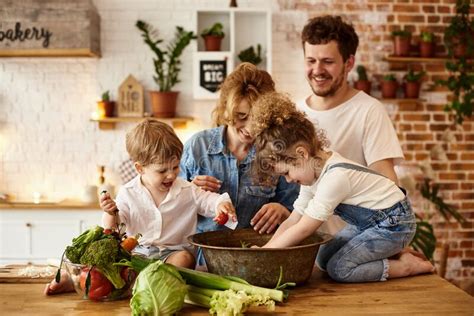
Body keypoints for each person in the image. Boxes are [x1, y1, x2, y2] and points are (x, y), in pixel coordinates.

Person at [250, 92, 434, 283]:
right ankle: (390, 253)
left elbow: (304, 229)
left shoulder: (335, 178)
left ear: (301, 154)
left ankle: (406, 266)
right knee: (322, 258)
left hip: (394, 224)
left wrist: (267, 253)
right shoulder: (312, 175)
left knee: (340, 269)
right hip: (368, 224)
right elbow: (294, 220)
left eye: (286, 173)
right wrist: (266, 250)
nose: (288, 180)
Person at [44, 119, 236, 295]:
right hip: (138, 254)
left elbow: (210, 201)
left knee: (185, 259)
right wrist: (111, 212)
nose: (171, 175)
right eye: (162, 170)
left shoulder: (188, 190)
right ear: (140, 168)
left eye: (175, 167)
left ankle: (146, 285)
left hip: (173, 256)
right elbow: (114, 228)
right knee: (111, 265)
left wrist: (222, 204)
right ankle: (75, 280)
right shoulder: (128, 193)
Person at [297, 15, 404, 233]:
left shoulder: (368, 111)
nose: (317, 70)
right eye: (311, 61)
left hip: (354, 246)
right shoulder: (295, 113)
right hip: (303, 246)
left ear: (349, 63)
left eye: (327, 62)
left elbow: (388, 185)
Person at [179, 62, 299, 240]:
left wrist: (284, 211)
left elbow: (297, 208)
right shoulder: (198, 147)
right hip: (203, 258)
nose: (250, 128)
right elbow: (170, 210)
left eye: (257, 118)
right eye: (241, 116)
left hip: (258, 255)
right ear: (226, 109)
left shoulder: (277, 151)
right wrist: (189, 192)